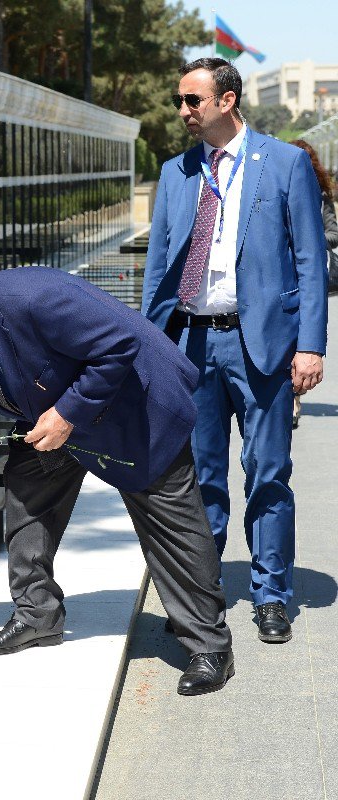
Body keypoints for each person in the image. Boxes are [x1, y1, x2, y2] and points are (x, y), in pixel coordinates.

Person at [0, 268, 234, 696]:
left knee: (173, 529)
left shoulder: (36, 297)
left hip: (134, 414)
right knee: (26, 494)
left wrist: (68, 413)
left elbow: (119, 344)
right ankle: (37, 616)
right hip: (52, 422)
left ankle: (209, 645)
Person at [142, 58, 328, 645]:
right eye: (180, 100)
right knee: (199, 480)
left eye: (192, 101)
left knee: (268, 474)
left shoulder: (285, 162)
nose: (183, 112)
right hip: (192, 345)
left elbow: (310, 261)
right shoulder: (177, 172)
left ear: (227, 101)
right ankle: (202, 595)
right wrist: (149, 347)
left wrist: (311, 345)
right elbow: (159, 268)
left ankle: (273, 594)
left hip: (263, 347)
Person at [290, 139, 338, 428]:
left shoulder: (321, 196)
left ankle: (296, 394)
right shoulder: (277, 192)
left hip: (310, 277)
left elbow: (334, 233)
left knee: (304, 335)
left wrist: (309, 242)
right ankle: (292, 396)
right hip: (283, 277)